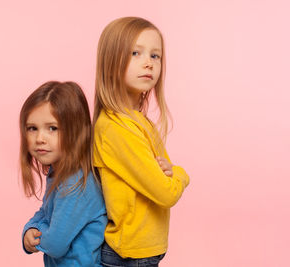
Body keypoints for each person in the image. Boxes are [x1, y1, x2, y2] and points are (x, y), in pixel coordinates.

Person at [93, 17, 190, 266]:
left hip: (145, 250)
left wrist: (169, 174)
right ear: (111, 62)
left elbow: (162, 173)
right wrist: (181, 175)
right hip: (130, 256)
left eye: (155, 56)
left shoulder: (139, 121)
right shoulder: (116, 127)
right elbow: (166, 191)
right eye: (135, 53)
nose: (148, 63)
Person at [20, 81, 107, 266]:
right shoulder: (59, 170)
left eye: (52, 128)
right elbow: (46, 212)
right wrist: (31, 228)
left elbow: (55, 244)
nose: (40, 139)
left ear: (75, 131)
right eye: (32, 128)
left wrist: (36, 229)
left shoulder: (76, 184)